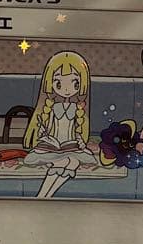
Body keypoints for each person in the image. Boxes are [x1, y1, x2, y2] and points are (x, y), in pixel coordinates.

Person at [23, 51, 96, 198]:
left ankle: (43, 196)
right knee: (66, 161)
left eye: (75, 83)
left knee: (73, 162)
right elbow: (45, 129)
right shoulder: (50, 107)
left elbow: (77, 131)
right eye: (59, 83)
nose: (67, 89)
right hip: (51, 147)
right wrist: (44, 135)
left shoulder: (77, 108)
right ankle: (43, 196)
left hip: (70, 146)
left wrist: (81, 142)